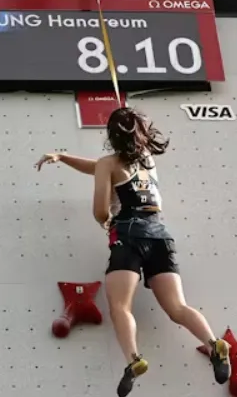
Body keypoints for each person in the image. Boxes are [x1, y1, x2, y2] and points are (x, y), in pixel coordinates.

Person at [36, 106, 230, 397]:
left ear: (111, 136)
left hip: (127, 235)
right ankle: (213, 342)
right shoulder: (148, 161)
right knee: (177, 307)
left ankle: (134, 359)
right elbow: (102, 166)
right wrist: (63, 157)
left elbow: (100, 208)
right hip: (160, 236)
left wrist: (105, 221)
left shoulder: (108, 164)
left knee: (120, 307)